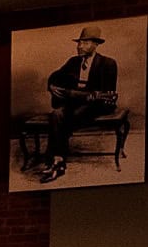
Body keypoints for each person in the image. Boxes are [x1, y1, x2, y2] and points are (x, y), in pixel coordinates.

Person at [39, 25, 119, 184]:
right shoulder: (73, 62)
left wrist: (72, 94)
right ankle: (58, 160)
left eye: (85, 43)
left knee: (69, 116)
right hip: (74, 103)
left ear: (96, 44)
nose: (79, 46)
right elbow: (54, 76)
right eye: (79, 43)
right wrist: (52, 86)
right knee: (56, 114)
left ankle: (55, 160)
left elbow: (106, 94)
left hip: (96, 105)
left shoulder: (108, 63)